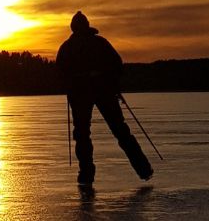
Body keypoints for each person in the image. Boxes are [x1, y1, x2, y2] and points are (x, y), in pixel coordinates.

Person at [56, 11, 153, 186]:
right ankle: (143, 169)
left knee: (84, 134)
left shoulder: (67, 47)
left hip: (85, 94)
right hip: (100, 91)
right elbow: (117, 65)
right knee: (119, 131)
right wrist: (112, 82)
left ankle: (86, 175)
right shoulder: (97, 43)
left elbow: (61, 71)